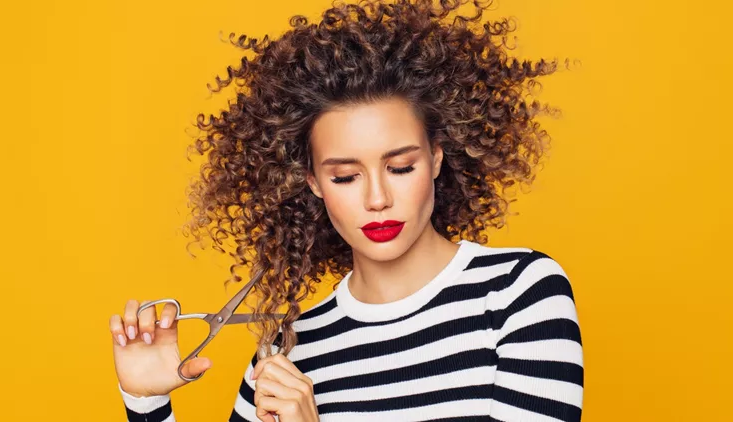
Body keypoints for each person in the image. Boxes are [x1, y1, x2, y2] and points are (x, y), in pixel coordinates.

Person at [108, 0, 584, 420]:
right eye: (345, 176)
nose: (377, 198)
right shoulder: (285, 352)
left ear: (436, 157)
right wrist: (146, 403)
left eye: (399, 166)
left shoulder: (518, 292)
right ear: (313, 182)